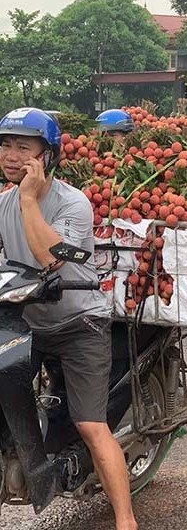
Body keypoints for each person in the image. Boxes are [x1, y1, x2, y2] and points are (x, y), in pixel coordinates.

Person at [0, 108, 138, 530]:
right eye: (5, 145)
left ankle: (126, 521)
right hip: (26, 323)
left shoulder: (73, 203)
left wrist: (26, 199)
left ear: (48, 157)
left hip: (80, 326)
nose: (10, 155)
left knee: (91, 425)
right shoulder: (1, 202)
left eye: (24, 147)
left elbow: (49, 257)